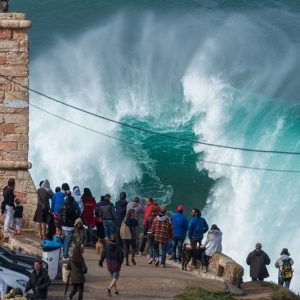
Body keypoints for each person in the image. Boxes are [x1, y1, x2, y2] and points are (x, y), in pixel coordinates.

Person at [60, 194, 80, 260]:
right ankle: (65, 255)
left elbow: (59, 212)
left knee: (66, 239)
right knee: (67, 240)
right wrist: (77, 217)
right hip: (70, 226)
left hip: (63, 224)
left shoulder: (63, 204)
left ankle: (64, 254)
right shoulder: (73, 205)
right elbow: (78, 213)